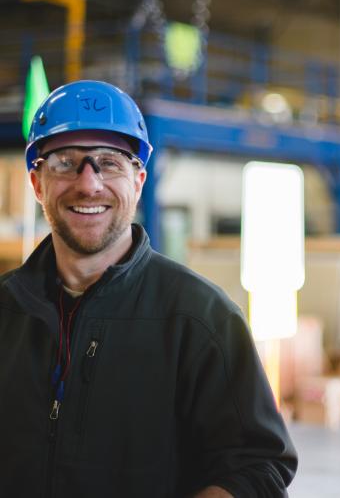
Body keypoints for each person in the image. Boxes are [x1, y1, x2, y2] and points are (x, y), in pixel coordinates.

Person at [0, 80, 297, 498]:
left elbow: (257, 468)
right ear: (37, 184)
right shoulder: (5, 310)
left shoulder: (201, 318)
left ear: (138, 182)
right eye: (66, 163)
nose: (89, 184)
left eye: (109, 162)